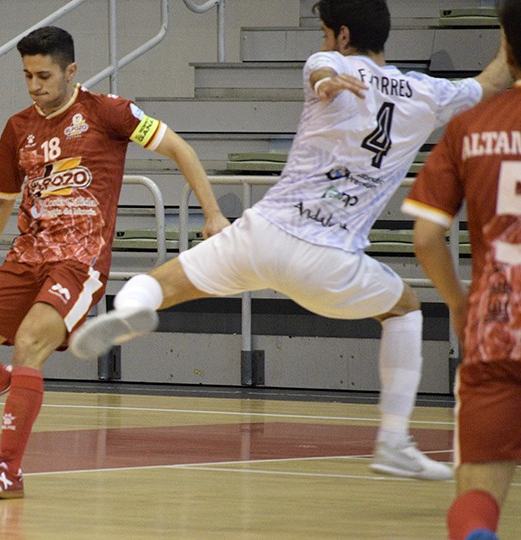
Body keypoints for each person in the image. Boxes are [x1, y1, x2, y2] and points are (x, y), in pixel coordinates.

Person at [70, 0, 512, 481]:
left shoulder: (329, 63)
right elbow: (493, 81)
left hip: (263, 234)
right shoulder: (427, 92)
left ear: (343, 35)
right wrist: (509, 32)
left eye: (324, 33)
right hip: (329, 260)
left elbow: (322, 72)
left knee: (161, 283)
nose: (322, 44)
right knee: (404, 309)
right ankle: (392, 442)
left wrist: (327, 81)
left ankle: (131, 312)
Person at [0, 26, 230, 499]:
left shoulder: (107, 112)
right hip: (24, 258)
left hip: (78, 262)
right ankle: (0, 382)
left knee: (30, 343)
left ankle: (7, 470)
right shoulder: (18, 127)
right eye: (27, 76)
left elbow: (180, 148)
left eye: (44, 76)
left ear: (71, 71)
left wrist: (213, 214)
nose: (35, 85)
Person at [403, 1, 521, 537]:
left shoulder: (470, 127)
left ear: (506, 45)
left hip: (497, 327)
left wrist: (458, 302)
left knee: (477, 495)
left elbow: (426, 237)